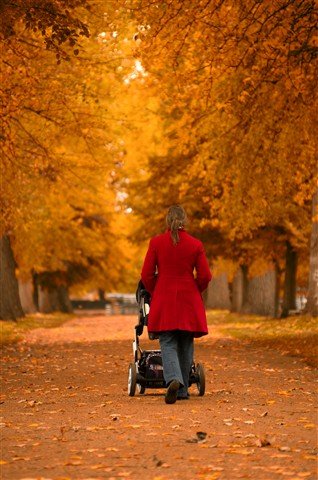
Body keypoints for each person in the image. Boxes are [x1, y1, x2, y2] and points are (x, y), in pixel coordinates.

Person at [141, 205, 212, 404]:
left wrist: (157, 289)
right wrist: (195, 288)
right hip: (188, 299)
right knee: (186, 342)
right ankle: (181, 390)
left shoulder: (156, 243)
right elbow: (205, 275)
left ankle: (173, 379)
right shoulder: (195, 244)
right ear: (185, 220)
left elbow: (146, 274)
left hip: (164, 297)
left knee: (168, 342)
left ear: (167, 220)